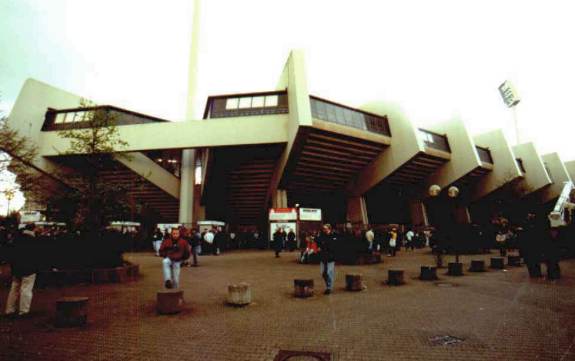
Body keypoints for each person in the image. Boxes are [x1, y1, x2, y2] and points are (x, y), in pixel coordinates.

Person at [4, 224, 42, 317]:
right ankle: (24, 310)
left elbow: (10, 254)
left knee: (14, 288)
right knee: (26, 289)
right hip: (29, 267)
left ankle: (9, 310)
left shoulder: (17, 239)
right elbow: (37, 256)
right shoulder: (34, 241)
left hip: (17, 267)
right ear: (33, 229)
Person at [316, 223, 338, 295]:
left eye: (325, 228)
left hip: (331, 257)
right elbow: (318, 242)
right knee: (323, 273)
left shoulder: (333, 236)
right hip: (323, 257)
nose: (324, 230)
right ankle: (328, 285)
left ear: (329, 228)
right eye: (323, 228)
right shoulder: (322, 236)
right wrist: (319, 247)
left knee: (329, 272)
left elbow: (334, 246)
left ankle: (329, 287)